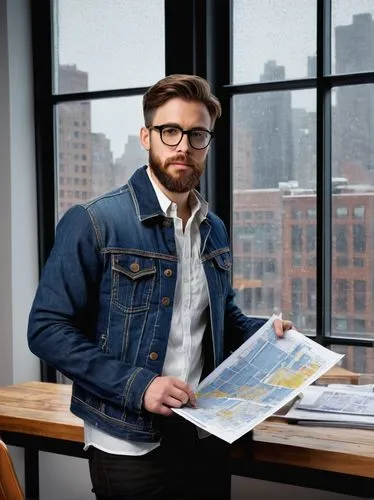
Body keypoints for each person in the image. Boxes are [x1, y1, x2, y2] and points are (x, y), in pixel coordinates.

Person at [28, 74, 292, 500]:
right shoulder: (94, 221)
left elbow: (221, 317)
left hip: (205, 433)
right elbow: (46, 329)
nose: (183, 146)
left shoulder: (214, 228)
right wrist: (140, 385)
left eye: (197, 134)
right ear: (146, 136)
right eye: (170, 132)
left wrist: (271, 337)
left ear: (208, 141)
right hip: (128, 441)